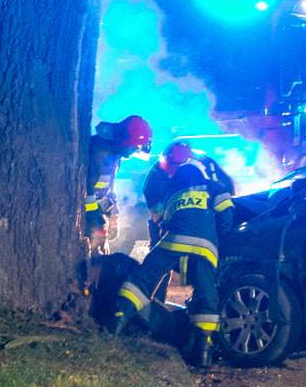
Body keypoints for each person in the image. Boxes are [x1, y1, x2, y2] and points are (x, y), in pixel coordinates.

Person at [113, 150, 234, 367]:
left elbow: (163, 221)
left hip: (174, 240)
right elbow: (227, 218)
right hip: (205, 247)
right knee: (206, 293)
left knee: (145, 276)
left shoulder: (173, 193)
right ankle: (203, 352)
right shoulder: (213, 187)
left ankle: (118, 321)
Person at [85, 116, 152, 255]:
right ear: (124, 142)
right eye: (135, 147)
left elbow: (106, 187)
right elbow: (89, 191)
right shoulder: (99, 152)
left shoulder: (113, 152)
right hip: (87, 212)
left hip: (97, 208)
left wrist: (112, 211)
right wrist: (97, 221)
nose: (135, 151)